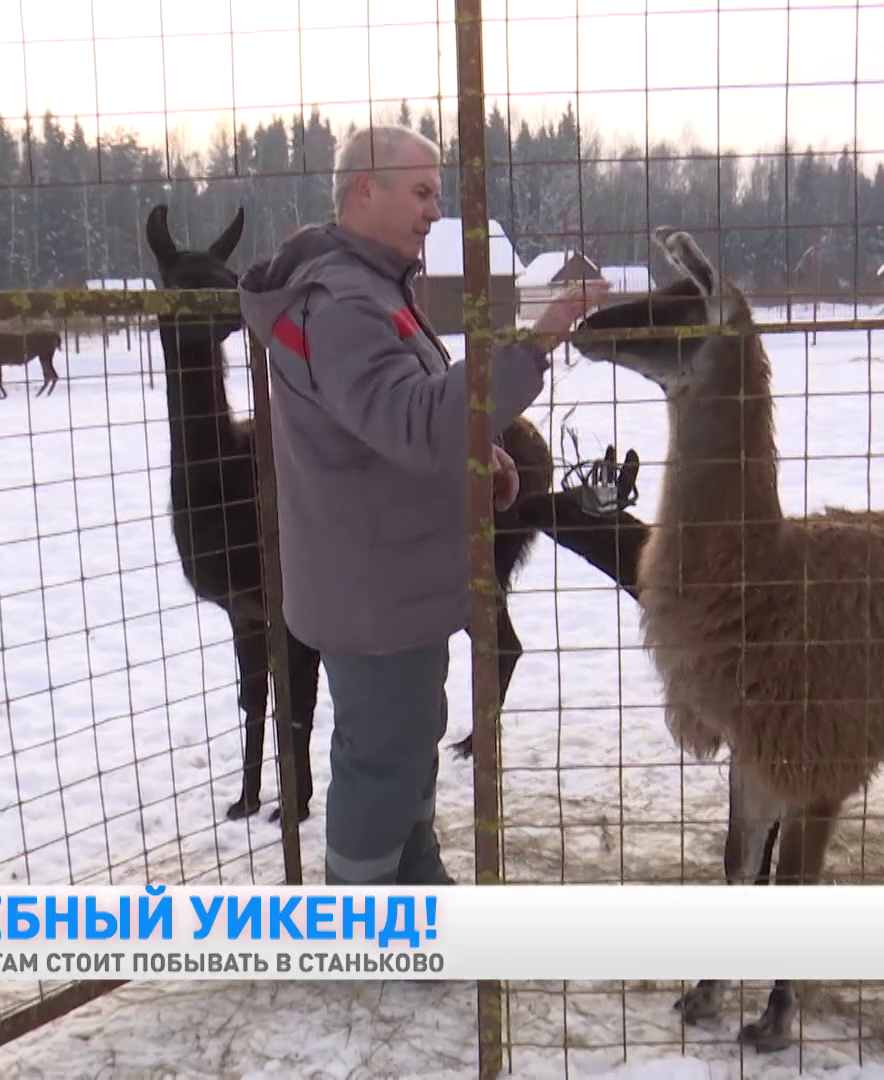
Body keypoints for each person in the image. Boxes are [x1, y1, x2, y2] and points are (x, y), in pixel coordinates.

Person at [236, 124, 607, 886]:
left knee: (406, 740)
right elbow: (408, 421)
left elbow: (385, 420)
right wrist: (532, 348)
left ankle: (419, 889)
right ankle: (362, 920)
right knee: (382, 756)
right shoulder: (340, 303)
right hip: (371, 586)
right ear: (364, 188)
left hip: (389, 577)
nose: (436, 210)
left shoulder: (371, 288)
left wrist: (484, 458)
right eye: (423, 190)